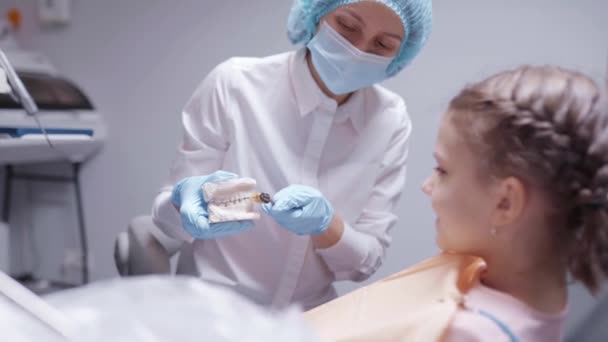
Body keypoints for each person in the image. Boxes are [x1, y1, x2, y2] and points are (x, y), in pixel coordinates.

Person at [151, 0, 432, 310]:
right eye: (347, 26)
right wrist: (182, 202)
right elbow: (169, 223)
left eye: (382, 45)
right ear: (316, 14)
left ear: (400, 55)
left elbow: (364, 263)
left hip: (307, 318)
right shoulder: (235, 84)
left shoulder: (390, 119)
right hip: (211, 311)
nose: (358, 51)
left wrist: (327, 226)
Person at [305, 65, 608, 341]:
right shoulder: (511, 289)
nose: (427, 185)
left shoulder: (468, 333)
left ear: (505, 202)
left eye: (442, 170)